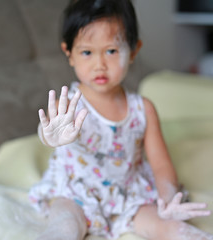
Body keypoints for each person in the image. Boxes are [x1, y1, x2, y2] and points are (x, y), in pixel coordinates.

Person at [29, 0, 213, 239]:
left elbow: (160, 164)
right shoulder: (67, 106)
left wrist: (168, 199)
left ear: (134, 51)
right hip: (75, 193)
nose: (100, 65)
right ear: (69, 54)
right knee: (64, 226)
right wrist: (49, 136)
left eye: (112, 51)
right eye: (87, 52)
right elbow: (47, 130)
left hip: (129, 196)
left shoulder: (143, 109)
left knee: (175, 229)